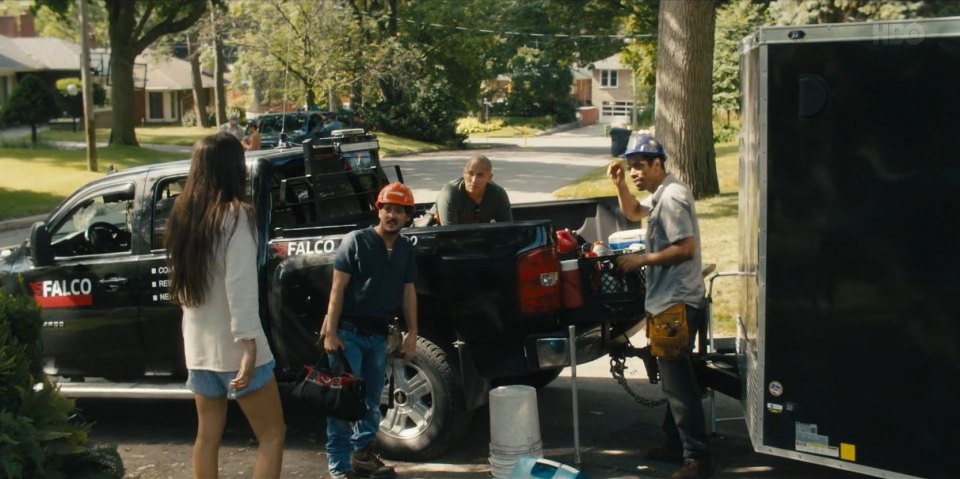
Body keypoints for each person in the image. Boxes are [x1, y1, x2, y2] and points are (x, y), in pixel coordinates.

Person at [164, 132, 285, 479]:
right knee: (273, 435)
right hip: (238, 348)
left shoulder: (183, 215)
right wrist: (249, 345)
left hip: (199, 349)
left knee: (206, 437)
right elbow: (240, 287)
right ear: (234, 169)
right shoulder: (237, 216)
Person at [607, 134, 713, 479]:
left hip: (676, 305)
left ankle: (696, 460)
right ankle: (674, 445)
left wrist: (643, 260)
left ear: (658, 163)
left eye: (639, 166)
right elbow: (633, 211)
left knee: (680, 389)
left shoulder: (674, 196)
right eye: (630, 166)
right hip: (669, 305)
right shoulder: (661, 196)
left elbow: (685, 247)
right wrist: (620, 184)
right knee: (675, 383)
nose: (635, 172)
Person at [321, 182, 419, 479]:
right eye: (388, 208)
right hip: (348, 334)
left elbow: (408, 291)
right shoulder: (356, 241)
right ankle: (339, 468)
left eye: (399, 211)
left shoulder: (404, 250)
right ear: (379, 210)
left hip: (378, 337)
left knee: (372, 402)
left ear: (407, 217)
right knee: (342, 403)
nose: (392, 215)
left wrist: (412, 331)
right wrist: (331, 332)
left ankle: (362, 455)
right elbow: (337, 288)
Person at [433, 154, 512, 225]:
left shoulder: (498, 194)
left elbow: (507, 228)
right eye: (470, 173)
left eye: (480, 175)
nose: (474, 180)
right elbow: (449, 234)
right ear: (464, 173)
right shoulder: (450, 193)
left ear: (490, 178)